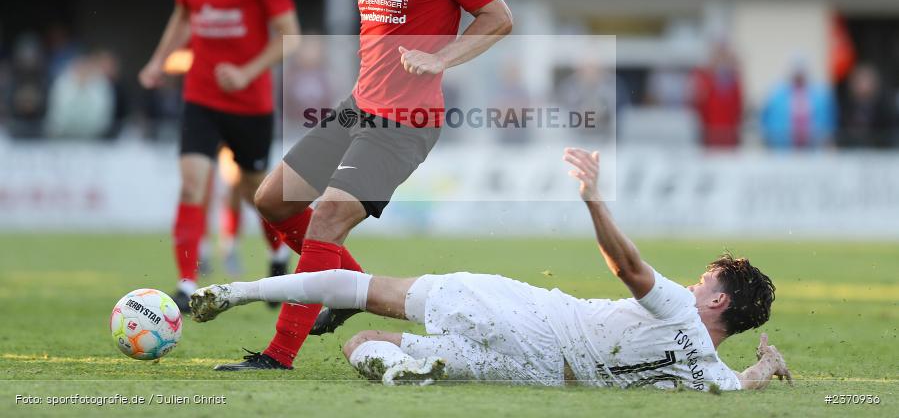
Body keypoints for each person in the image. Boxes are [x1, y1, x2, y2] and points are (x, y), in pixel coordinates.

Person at [213, 0, 513, 371]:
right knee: (271, 201)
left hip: (404, 123)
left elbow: (499, 18)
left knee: (327, 218)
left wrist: (440, 58)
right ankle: (343, 288)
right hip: (357, 110)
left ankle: (278, 356)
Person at [191, 147, 790, 390]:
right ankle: (401, 370)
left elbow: (629, 268)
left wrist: (592, 199)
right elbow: (747, 384)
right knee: (370, 341)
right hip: (539, 375)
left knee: (368, 293)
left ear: (716, 303)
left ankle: (237, 290)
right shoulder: (711, 375)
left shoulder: (681, 310)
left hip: (529, 316)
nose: (693, 285)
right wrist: (766, 363)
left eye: (704, 283)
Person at [138, 0, 300, 312]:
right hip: (201, 97)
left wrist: (246, 71)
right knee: (193, 184)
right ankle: (187, 283)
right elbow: (183, 17)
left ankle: (277, 256)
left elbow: (292, 37)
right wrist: (159, 61)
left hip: (251, 105)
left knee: (255, 194)